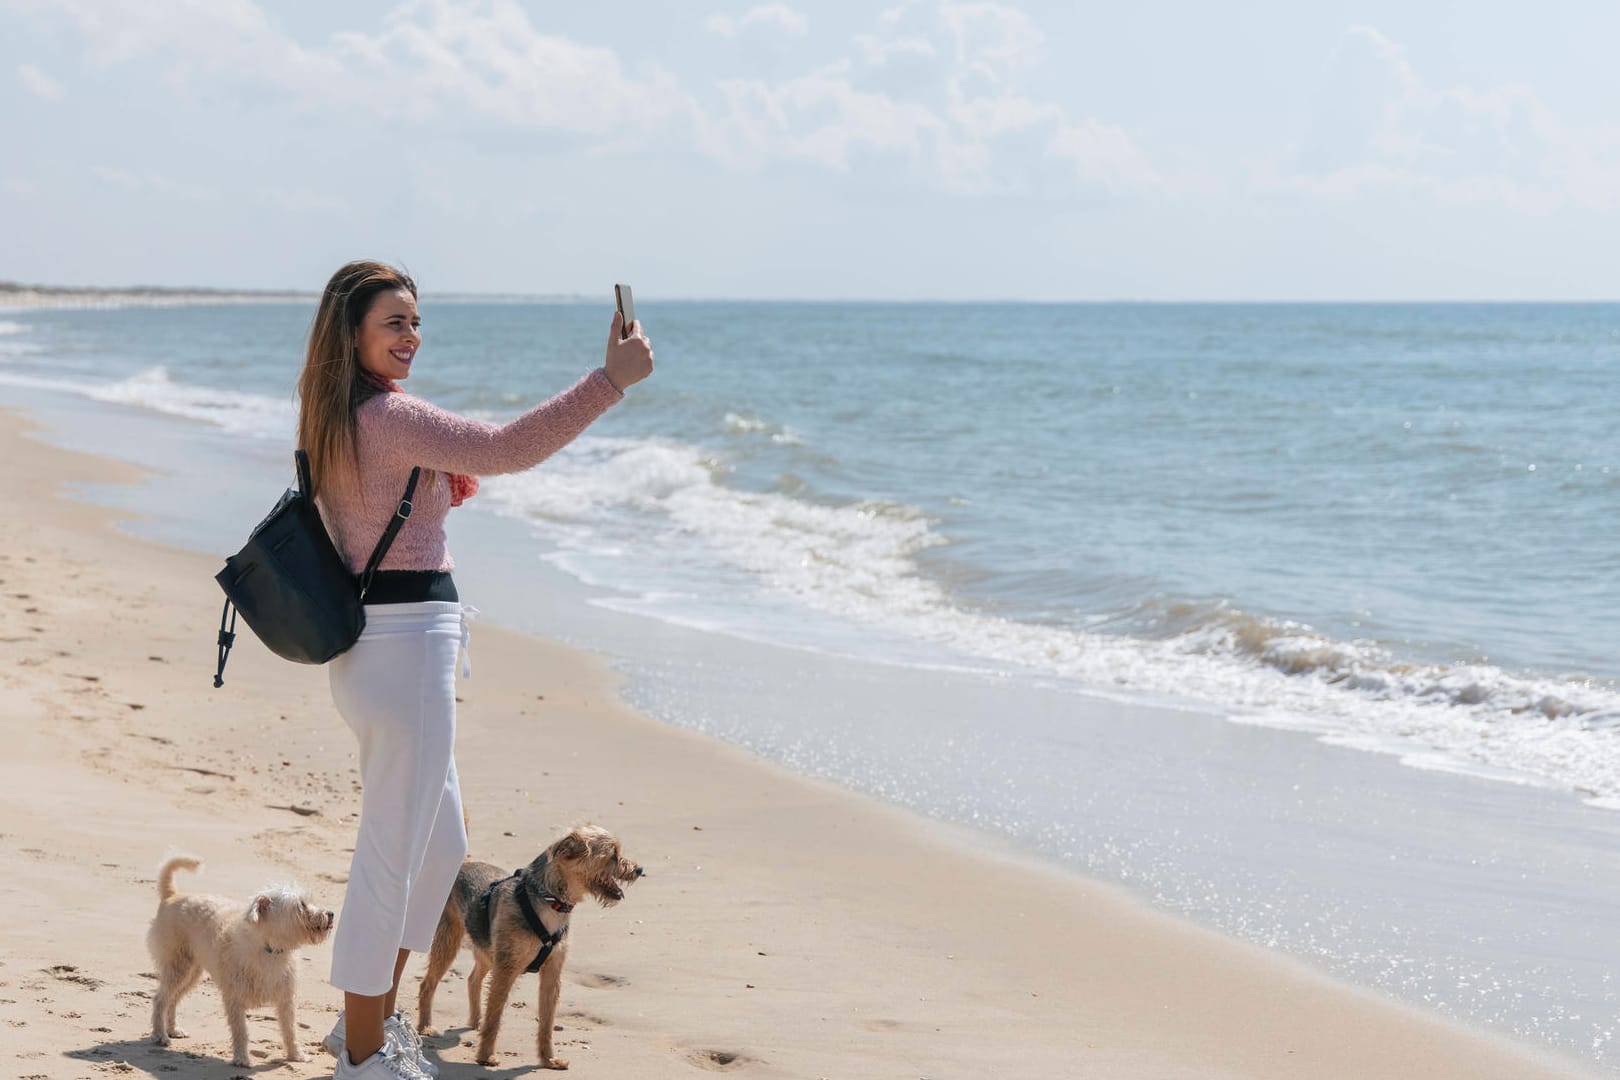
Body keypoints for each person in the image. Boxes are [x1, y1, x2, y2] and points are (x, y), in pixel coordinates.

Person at [294, 261, 653, 1079]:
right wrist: (609, 381)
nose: (411, 335)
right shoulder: (385, 417)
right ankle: (362, 1053)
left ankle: (370, 1027)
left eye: (416, 321)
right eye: (393, 322)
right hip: (404, 649)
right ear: (352, 334)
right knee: (391, 854)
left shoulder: (338, 413)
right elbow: (503, 448)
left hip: (384, 653)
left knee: (440, 842)